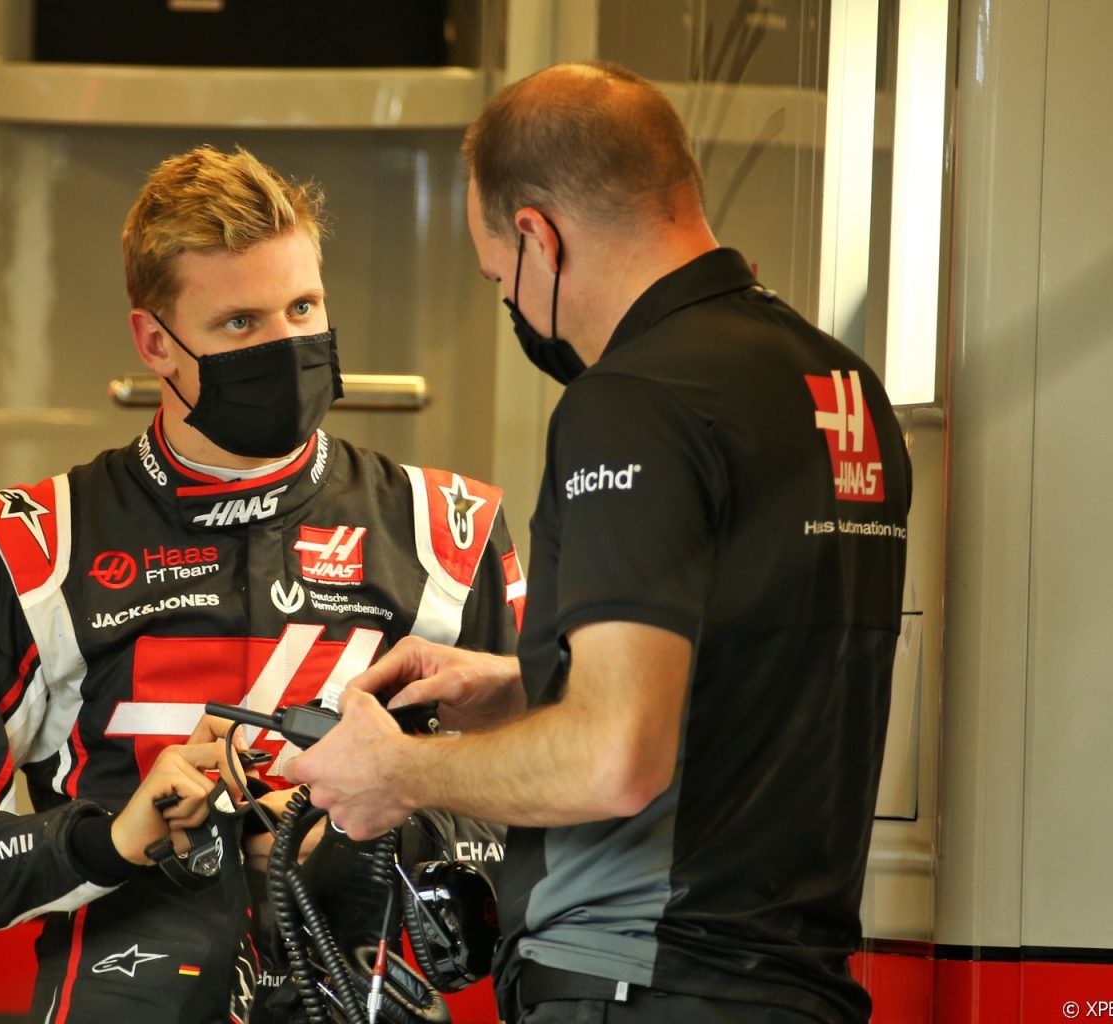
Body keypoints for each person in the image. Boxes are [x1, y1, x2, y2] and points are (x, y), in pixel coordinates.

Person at [289, 61, 912, 1024]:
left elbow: (618, 759)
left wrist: (395, 773)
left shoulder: (631, 401)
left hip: (638, 980)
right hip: (795, 985)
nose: (510, 303)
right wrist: (523, 684)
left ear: (537, 235)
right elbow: (740, 678)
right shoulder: (839, 385)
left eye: (499, 278)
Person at [0, 145, 521, 1024]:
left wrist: (378, 825)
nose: (285, 344)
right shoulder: (31, 544)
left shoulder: (449, 532)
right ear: (155, 343)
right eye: (240, 323)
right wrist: (110, 839)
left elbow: (550, 802)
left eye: (303, 307)